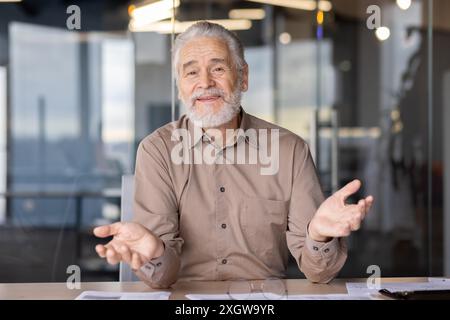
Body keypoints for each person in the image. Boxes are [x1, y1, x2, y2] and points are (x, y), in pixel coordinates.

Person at [94, 21, 374, 289]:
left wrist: (318, 235)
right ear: (179, 86)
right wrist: (154, 249)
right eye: (191, 72)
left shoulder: (290, 151)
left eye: (217, 68)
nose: (205, 82)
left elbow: (319, 273)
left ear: (243, 77)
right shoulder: (157, 151)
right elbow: (161, 279)